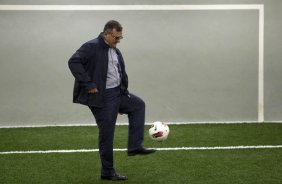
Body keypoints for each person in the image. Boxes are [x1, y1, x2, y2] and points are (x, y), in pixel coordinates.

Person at [68, 20, 155, 181]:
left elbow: (118, 72)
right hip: (102, 97)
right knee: (107, 134)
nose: (118, 41)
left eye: (121, 38)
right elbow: (73, 62)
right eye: (116, 37)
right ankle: (107, 171)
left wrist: (123, 90)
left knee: (138, 105)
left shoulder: (115, 50)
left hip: (118, 93)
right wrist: (88, 84)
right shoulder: (91, 46)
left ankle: (135, 146)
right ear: (106, 34)